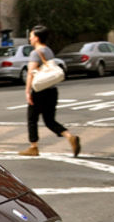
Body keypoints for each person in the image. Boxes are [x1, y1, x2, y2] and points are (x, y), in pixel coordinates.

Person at [19, 26, 80, 157]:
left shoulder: (35, 53)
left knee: (32, 119)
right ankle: (69, 136)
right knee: (49, 120)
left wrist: (27, 91)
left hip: (39, 91)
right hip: (52, 91)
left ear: (36, 38)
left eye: (31, 35)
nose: (30, 38)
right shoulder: (49, 51)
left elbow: (30, 73)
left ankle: (33, 147)